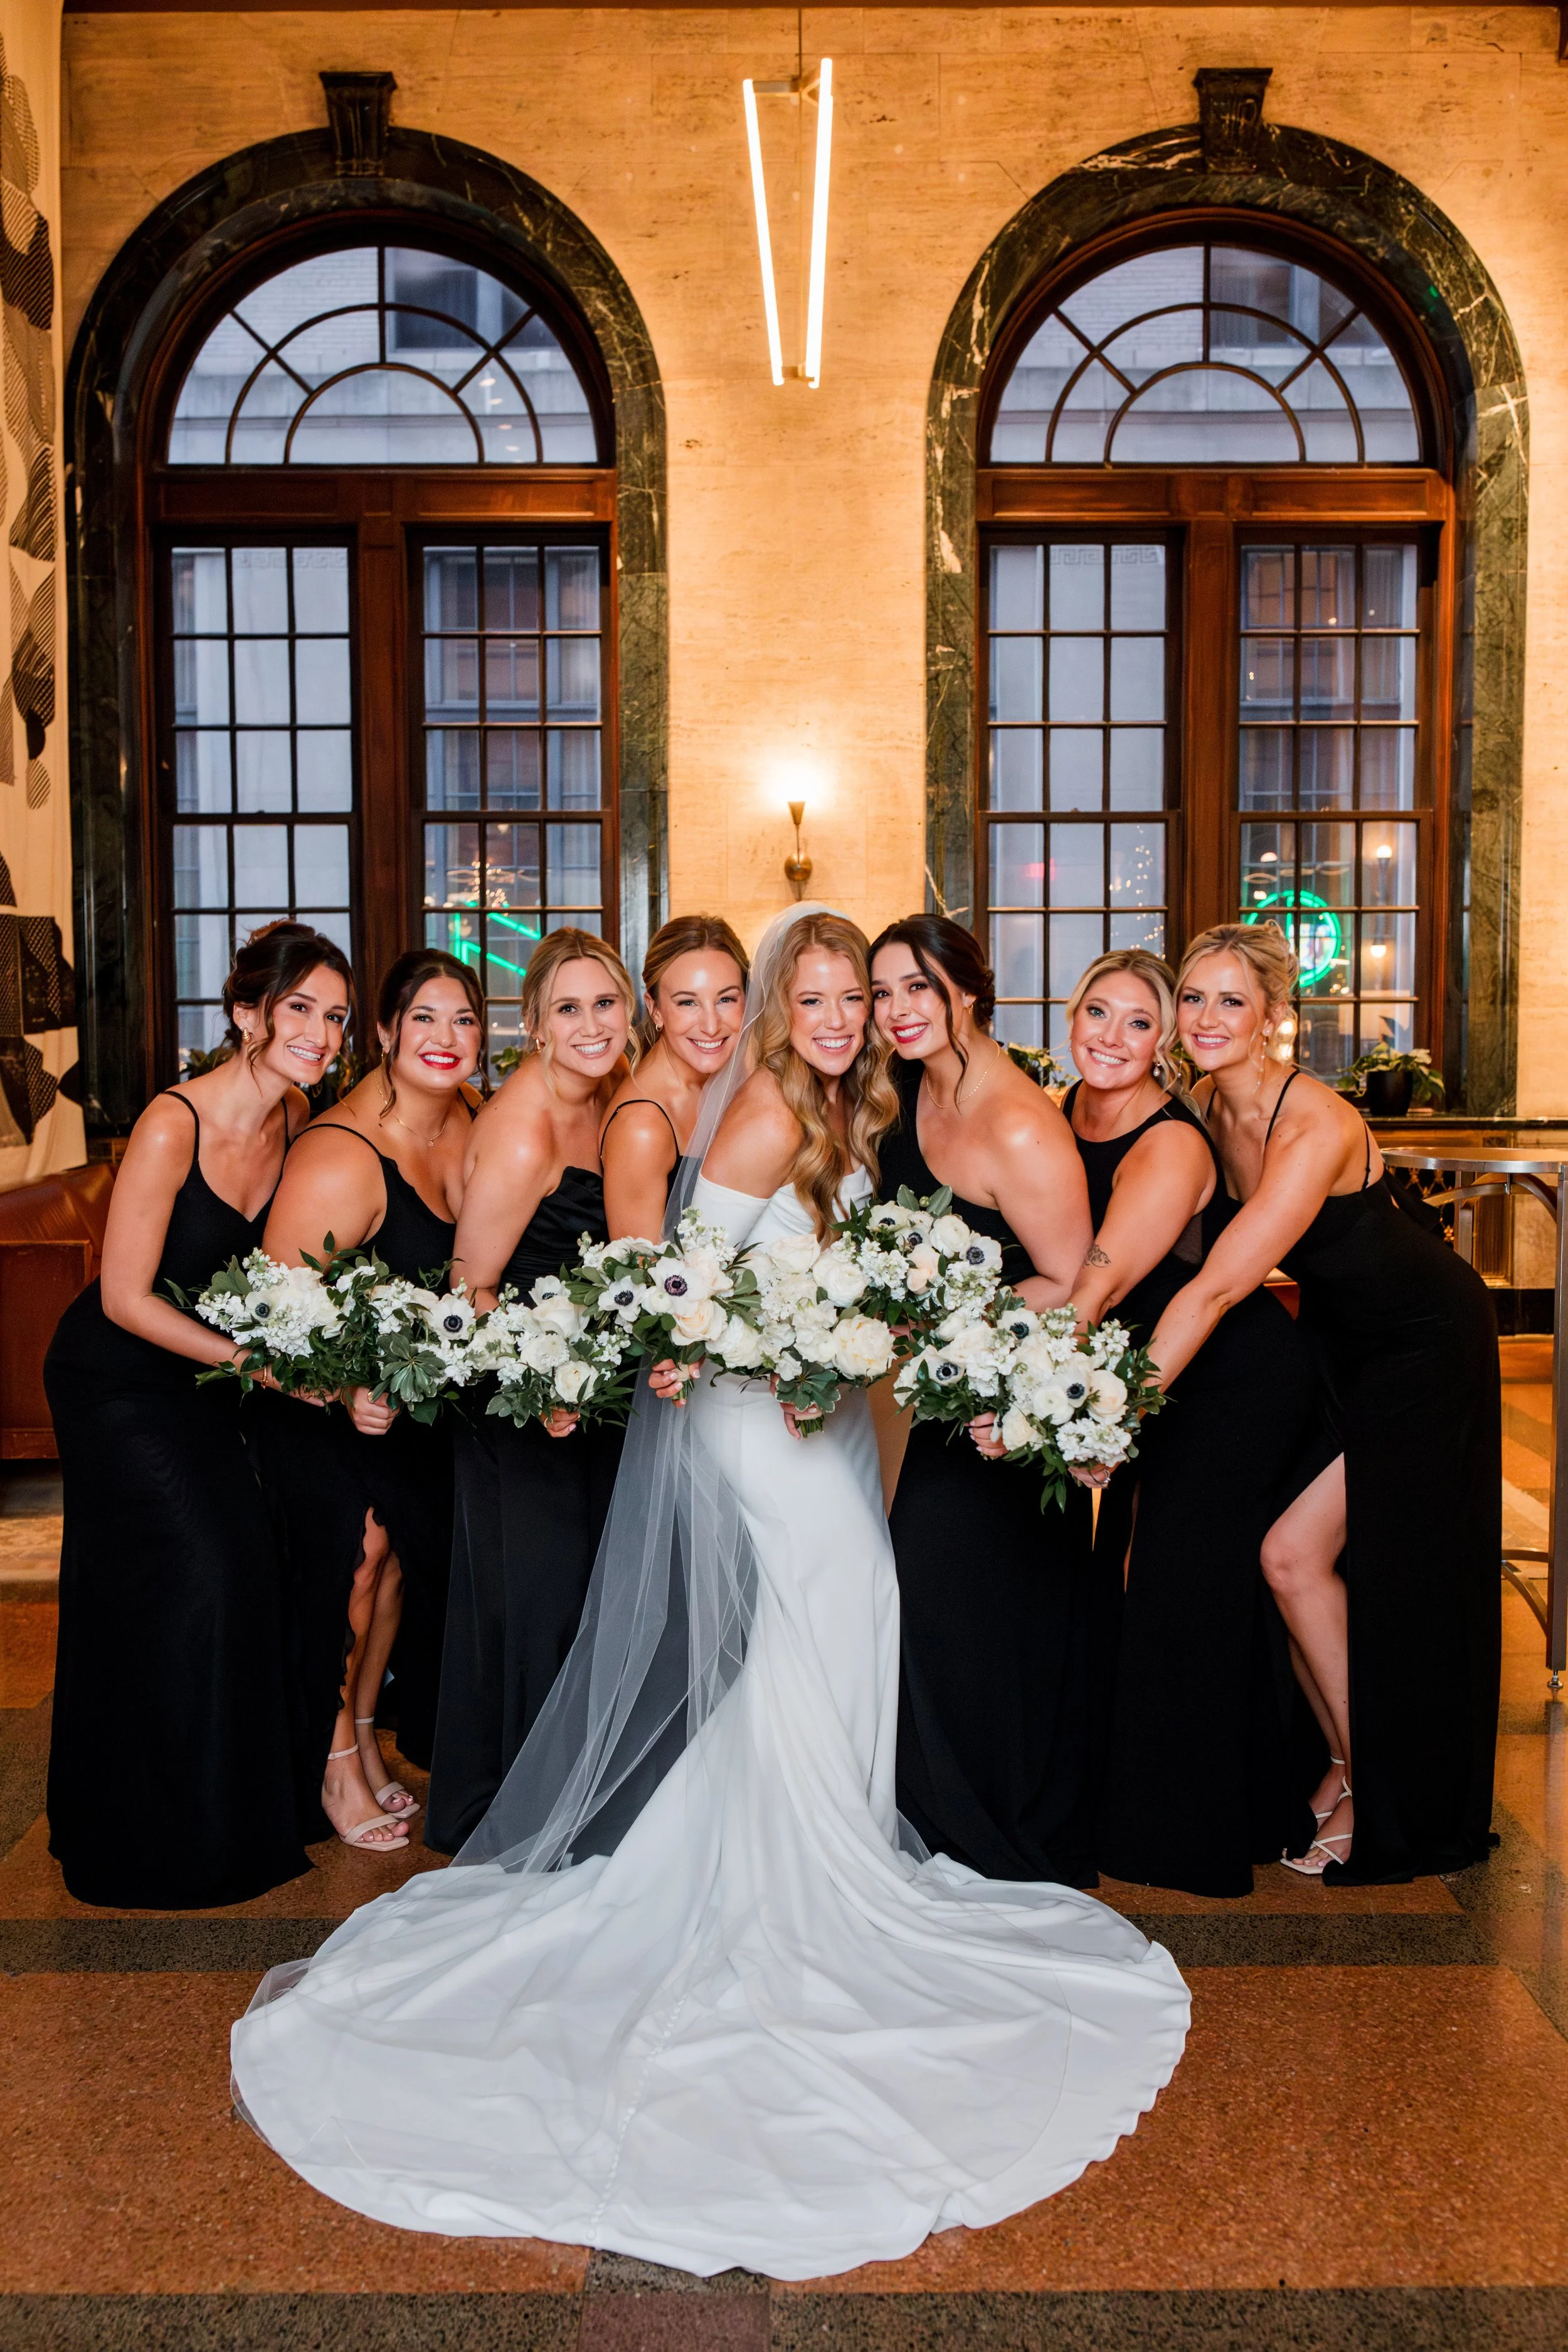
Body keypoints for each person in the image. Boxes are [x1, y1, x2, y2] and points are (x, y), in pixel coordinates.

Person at [230, 905, 1189, 2279]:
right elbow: (680, 1288)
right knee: (837, 1612)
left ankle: (829, 1842)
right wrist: (781, 1349)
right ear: (777, 1017)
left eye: (849, 995)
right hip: (764, 1426)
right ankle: (812, 1878)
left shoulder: (854, 1113)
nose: (837, 1017)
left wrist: (883, 1332)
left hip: (825, 1422)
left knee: (840, 1625)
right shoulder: (757, 1122)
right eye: (811, 999)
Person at [1143, 922, 1500, 1884]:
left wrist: (1113, 1404)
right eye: (1194, 998)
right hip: (1338, 1343)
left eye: (1231, 1000)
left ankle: (1370, 1782)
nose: (1209, 1018)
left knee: (1290, 1554)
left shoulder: (1314, 1124)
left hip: (1424, 1344)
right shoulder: (1206, 1110)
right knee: (1289, 1558)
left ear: (1272, 1015)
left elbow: (1219, 1285)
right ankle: (1342, 1760)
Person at [45, 922, 351, 1907]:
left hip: (211, 1377)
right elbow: (125, 1294)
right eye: (299, 1007)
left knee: (251, 1566)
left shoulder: (302, 1116)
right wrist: (261, 1369)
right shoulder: (175, 1120)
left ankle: (226, 1814)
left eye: (336, 1015)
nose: (319, 1030)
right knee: (204, 1569)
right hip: (118, 1379)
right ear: (245, 1014)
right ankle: (146, 1833)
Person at [1052, 949, 1321, 1896]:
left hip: (1223, 1377)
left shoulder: (1169, 1140)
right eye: (1097, 1012)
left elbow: (1107, 1282)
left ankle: (1187, 1832)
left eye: (1136, 1022)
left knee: (1175, 1581)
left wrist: (1098, 1409)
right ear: (1069, 1014)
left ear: (1162, 1042)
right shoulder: (1064, 1110)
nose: (1112, 1037)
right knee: (1136, 1576)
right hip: (1149, 1367)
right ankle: (1218, 1793)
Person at [868, 916, 1097, 1883]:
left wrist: (955, 1324)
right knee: (927, 1602)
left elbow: (1071, 1277)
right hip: (943, 1406)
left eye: (916, 988)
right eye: (882, 993)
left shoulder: (1017, 1121)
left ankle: (993, 1826)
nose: (895, 1011)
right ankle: (936, 1816)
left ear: (968, 987)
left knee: (974, 1604)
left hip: (1007, 1411)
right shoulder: (912, 1087)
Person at [255, 950, 484, 1853]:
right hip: (316, 1404)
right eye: (423, 1018)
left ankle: (364, 1736)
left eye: (464, 1019)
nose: (445, 1038)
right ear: (385, 1033)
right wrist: (348, 1385)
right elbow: (271, 1310)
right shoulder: (341, 1152)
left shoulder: (470, 1120)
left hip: (414, 1406)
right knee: (366, 1555)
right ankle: (333, 1754)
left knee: (396, 1570)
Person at [424, 928, 635, 1855]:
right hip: (524, 1406)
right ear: (535, 1026)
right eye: (569, 1008)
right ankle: (520, 1812)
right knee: (538, 1605)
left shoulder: (614, 1097)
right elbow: (467, 1292)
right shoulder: (522, 1124)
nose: (592, 1024)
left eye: (605, 1003)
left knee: (588, 1600)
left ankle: (581, 1796)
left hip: (596, 1399)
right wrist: (542, 1380)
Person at [600, 913, 748, 1241]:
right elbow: (640, 1280)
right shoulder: (643, 1128)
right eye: (687, 1002)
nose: (711, 1025)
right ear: (655, 1009)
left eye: (726, 999)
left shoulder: (733, 1081)